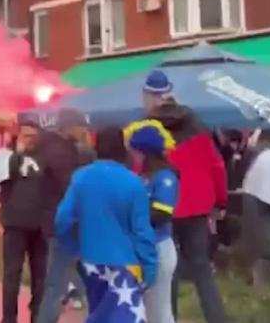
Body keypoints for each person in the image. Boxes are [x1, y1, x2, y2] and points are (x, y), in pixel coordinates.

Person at [143, 70, 229, 323]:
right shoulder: (197, 124)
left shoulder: (147, 128)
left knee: (167, 270)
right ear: (171, 93)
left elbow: (140, 169)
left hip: (163, 207)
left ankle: (169, 318)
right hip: (199, 207)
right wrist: (221, 203)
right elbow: (217, 165)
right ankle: (217, 319)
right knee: (202, 268)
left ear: (149, 95)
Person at [55, 126, 157, 323]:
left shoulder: (81, 177)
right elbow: (142, 230)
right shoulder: (134, 182)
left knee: (99, 314)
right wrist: (150, 267)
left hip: (90, 260)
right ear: (122, 149)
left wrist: (72, 247)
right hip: (126, 263)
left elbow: (62, 218)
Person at [0, 121, 47, 323]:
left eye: (33, 136)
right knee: (12, 274)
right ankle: (9, 318)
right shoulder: (5, 156)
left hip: (40, 226)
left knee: (40, 275)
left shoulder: (46, 157)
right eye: (26, 136)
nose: (30, 140)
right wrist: (17, 154)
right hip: (15, 224)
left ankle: (38, 316)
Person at [125, 120, 180, 323]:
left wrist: (131, 214)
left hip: (159, 248)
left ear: (145, 151)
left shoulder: (165, 177)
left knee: (159, 311)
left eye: (135, 150)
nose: (132, 155)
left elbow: (162, 214)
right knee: (144, 311)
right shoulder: (142, 176)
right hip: (141, 247)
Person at [36, 109, 88, 323]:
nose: (84, 131)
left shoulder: (51, 148)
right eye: (81, 126)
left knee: (63, 275)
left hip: (55, 221)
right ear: (69, 127)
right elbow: (70, 187)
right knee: (57, 281)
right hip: (63, 223)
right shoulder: (62, 152)